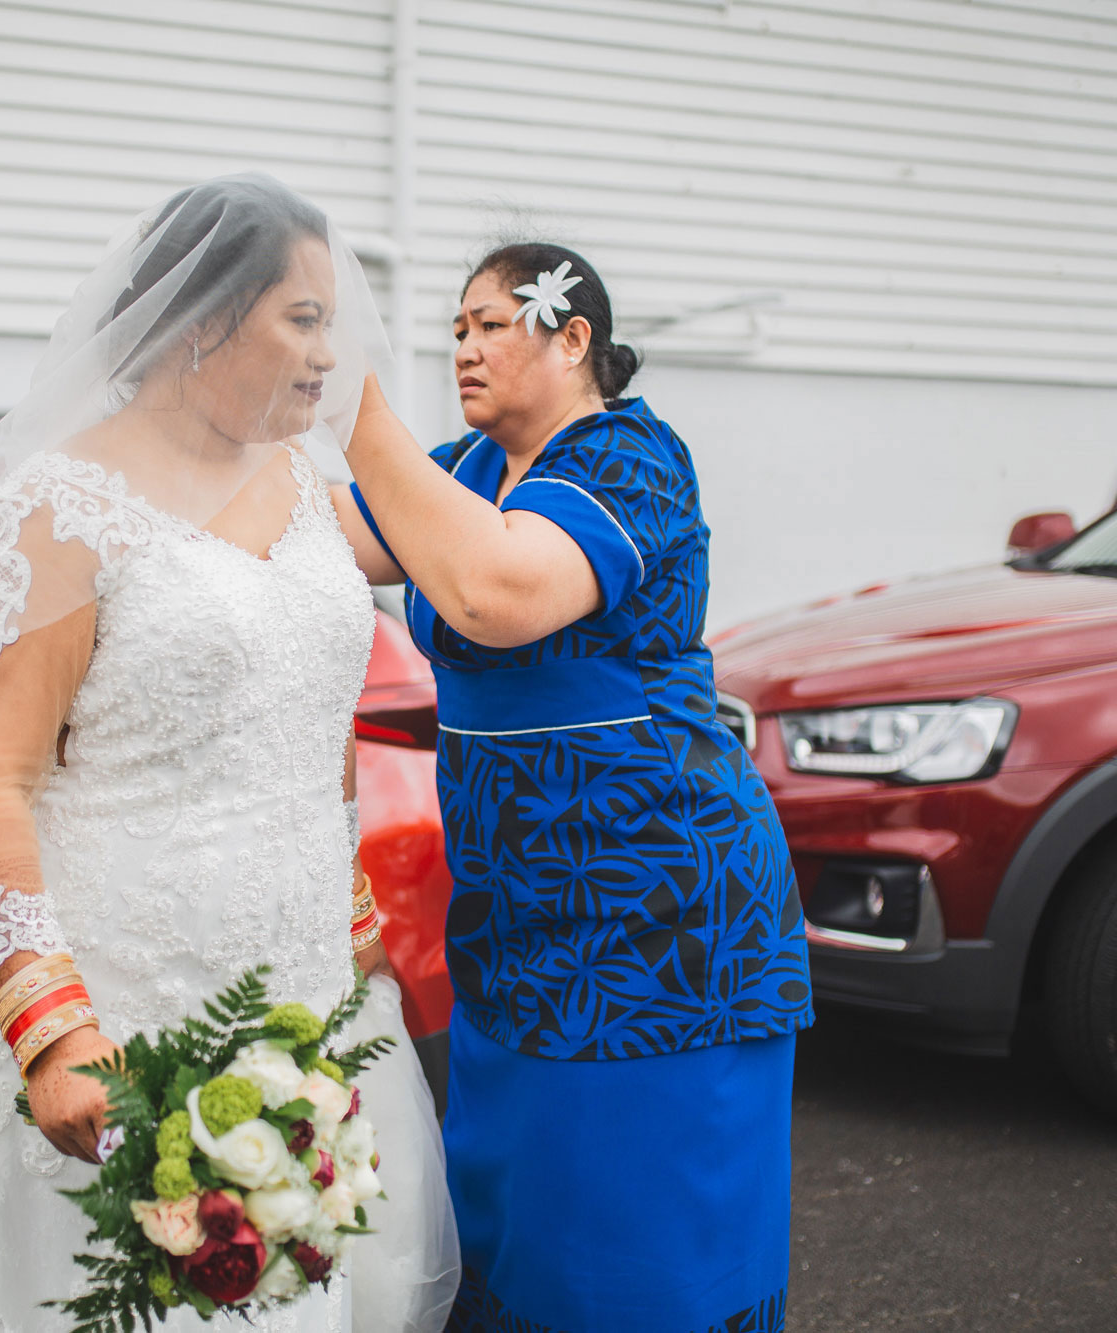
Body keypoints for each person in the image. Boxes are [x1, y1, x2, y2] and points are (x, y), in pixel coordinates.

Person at [0, 174, 457, 1331]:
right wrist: (52, 1028)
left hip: (297, 994)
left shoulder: (306, 496)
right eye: (302, 319)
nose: (331, 355)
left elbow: (313, 728)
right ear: (204, 317)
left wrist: (352, 935)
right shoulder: (59, 509)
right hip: (122, 1010)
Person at [330, 243, 812, 1331]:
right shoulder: (458, 472)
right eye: (452, 329)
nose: (461, 347)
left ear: (573, 338)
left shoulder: (630, 458)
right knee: (517, 1216)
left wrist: (346, 389)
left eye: (489, 323)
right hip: (519, 912)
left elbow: (493, 592)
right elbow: (319, 527)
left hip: (658, 912)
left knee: (628, 1239)